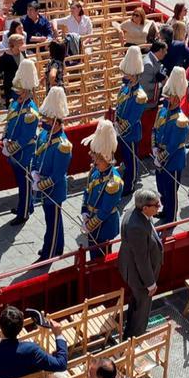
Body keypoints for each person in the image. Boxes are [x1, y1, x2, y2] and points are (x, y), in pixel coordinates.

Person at [32, 87, 73, 261]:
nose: (44, 122)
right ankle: (57, 246)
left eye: (47, 120)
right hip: (43, 183)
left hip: (54, 189)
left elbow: (57, 175)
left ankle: (50, 252)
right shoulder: (44, 134)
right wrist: (34, 171)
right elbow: (37, 154)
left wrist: (40, 185)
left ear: (56, 122)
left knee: (53, 222)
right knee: (52, 220)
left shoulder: (63, 145)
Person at [119, 189, 164, 339]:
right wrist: (150, 283)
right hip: (139, 275)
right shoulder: (136, 227)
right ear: (145, 208)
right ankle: (134, 339)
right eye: (156, 205)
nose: (159, 207)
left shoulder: (137, 211)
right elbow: (141, 259)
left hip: (134, 270)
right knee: (142, 307)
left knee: (137, 303)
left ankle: (132, 331)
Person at [4, 59, 41, 226]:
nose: (16, 96)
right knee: (19, 181)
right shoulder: (15, 103)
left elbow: (26, 137)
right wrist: (4, 139)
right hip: (13, 149)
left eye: (19, 93)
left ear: (26, 92)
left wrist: (12, 148)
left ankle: (24, 212)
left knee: (25, 184)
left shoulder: (31, 111)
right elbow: (8, 123)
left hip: (24, 152)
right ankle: (25, 205)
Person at [152, 67, 189, 224]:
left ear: (176, 98)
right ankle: (165, 210)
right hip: (159, 156)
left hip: (172, 160)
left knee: (170, 190)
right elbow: (155, 130)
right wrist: (154, 147)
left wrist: (161, 157)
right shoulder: (162, 111)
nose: (166, 99)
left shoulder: (181, 121)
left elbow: (173, 145)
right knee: (161, 188)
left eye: (169, 97)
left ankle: (171, 216)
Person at [82, 120, 124, 261]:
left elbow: (105, 210)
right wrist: (85, 212)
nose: (95, 162)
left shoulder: (113, 182)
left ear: (105, 159)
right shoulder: (95, 171)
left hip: (104, 226)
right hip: (92, 222)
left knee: (102, 259)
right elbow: (87, 191)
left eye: (98, 160)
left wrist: (90, 224)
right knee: (94, 257)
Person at [115, 46, 149, 197]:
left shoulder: (139, 95)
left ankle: (131, 184)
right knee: (125, 158)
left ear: (134, 76)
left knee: (131, 162)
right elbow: (119, 106)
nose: (125, 75)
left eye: (128, 74)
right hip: (120, 129)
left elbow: (133, 117)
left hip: (131, 131)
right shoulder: (125, 88)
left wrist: (121, 127)